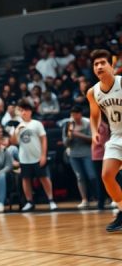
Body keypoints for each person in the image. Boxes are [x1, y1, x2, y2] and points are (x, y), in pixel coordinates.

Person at [88, 49, 122, 231]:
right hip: (116, 136)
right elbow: (94, 115)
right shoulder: (93, 92)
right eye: (96, 64)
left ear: (111, 65)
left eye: (103, 62)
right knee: (107, 176)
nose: (99, 66)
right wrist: (94, 131)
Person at [11, 101, 57, 212]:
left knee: (44, 178)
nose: (24, 112)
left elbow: (44, 139)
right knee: (25, 179)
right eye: (22, 110)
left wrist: (43, 155)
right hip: (24, 158)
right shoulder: (18, 126)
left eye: (26, 110)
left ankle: (51, 200)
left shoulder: (37, 124)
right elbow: (13, 142)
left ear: (30, 112)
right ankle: (29, 202)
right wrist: (17, 130)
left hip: (37, 157)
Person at [64, 104, 95, 209]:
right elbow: (65, 143)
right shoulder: (68, 124)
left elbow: (93, 139)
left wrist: (78, 135)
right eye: (73, 115)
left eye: (76, 114)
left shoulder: (88, 123)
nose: (75, 117)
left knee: (92, 176)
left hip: (87, 153)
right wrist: (70, 136)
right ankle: (84, 199)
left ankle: (99, 196)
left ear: (80, 114)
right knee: (80, 177)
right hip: (73, 154)